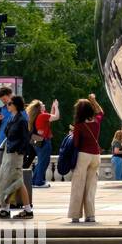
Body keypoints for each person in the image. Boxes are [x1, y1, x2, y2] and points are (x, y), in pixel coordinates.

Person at [0, 95, 33, 220]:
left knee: (15, 181)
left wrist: (19, 152)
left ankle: (18, 210)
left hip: (15, 154)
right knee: (8, 180)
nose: (7, 105)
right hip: (9, 152)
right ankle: (10, 209)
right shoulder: (12, 118)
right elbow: (6, 134)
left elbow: (26, 139)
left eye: (9, 103)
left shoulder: (21, 120)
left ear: (15, 105)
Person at [67, 94, 105, 223]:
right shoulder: (96, 122)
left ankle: (75, 215)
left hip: (83, 155)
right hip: (96, 156)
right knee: (91, 187)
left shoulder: (79, 125)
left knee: (78, 185)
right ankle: (90, 215)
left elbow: (76, 143)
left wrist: (72, 134)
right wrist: (94, 100)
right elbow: (101, 112)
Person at [27, 99, 58, 189]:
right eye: (42, 104)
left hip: (36, 139)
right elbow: (56, 117)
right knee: (43, 162)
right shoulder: (42, 115)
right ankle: (39, 182)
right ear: (39, 108)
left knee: (41, 161)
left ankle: (35, 180)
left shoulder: (39, 116)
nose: (44, 105)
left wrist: (53, 107)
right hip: (44, 141)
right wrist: (56, 106)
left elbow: (51, 117)